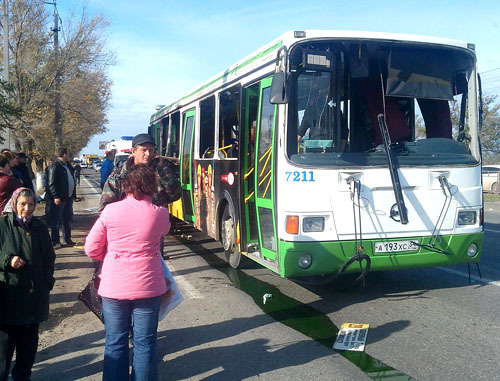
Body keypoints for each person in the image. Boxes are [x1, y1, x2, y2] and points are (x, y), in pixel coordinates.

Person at [85, 164, 171, 381]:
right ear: (152, 185)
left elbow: (91, 248)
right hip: (148, 286)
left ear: (126, 186)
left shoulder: (111, 211)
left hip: (114, 286)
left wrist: (111, 254)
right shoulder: (160, 213)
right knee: (145, 342)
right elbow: (163, 231)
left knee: (115, 341)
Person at [0, 188, 56, 381]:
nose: (27, 208)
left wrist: (47, 280)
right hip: (8, 298)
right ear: (14, 203)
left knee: (28, 348)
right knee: (4, 350)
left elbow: (49, 256)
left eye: (31, 204)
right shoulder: (3, 225)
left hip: (34, 298)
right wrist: (7, 260)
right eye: (23, 204)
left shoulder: (39, 227)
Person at [100, 133, 181, 211]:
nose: (148, 154)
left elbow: (174, 195)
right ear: (133, 151)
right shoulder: (120, 173)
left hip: (154, 221)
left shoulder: (160, 170)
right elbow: (106, 205)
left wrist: (162, 169)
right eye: (143, 150)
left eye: (151, 150)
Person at [46, 147, 75, 249]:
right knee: (56, 220)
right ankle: (55, 241)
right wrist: (56, 196)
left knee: (66, 219)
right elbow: (51, 183)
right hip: (60, 198)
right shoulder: (55, 166)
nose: (68, 156)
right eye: (67, 154)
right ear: (64, 155)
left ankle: (67, 239)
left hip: (67, 197)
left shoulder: (65, 166)